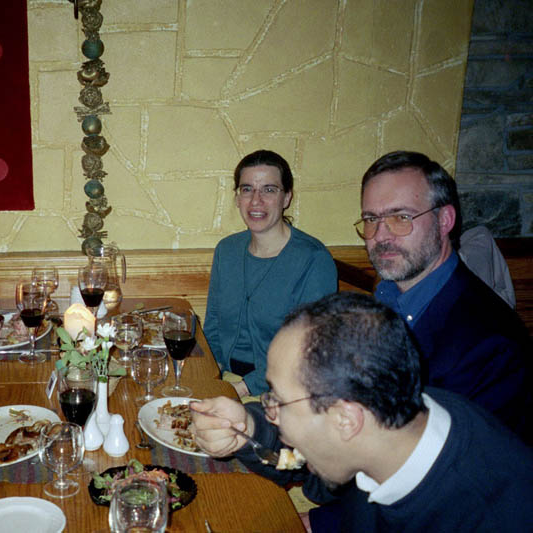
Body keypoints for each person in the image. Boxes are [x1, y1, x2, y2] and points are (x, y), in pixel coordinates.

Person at [196, 292, 533, 532]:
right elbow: (301, 463)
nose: (269, 411)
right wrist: (249, 429)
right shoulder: (390, 416)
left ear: (346, 420)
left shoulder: (493, 515)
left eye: (278, 402)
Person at [357, 151, 531, 438]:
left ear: (444, 220)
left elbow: (458, 458)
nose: (381, 235)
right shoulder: (385, 299)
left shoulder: (491, 343)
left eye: (401, 217)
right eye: (371, 218)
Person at [204, 150, 337, 397]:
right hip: (228, 380)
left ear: (286, 197)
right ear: (237, 197)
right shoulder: (227, 250)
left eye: (269, 190)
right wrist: (212, 373)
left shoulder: (313, 259)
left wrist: (241, 390)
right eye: (247, 189)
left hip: (283, 389)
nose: (256, 201)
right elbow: (213, 324)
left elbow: (306, 350)